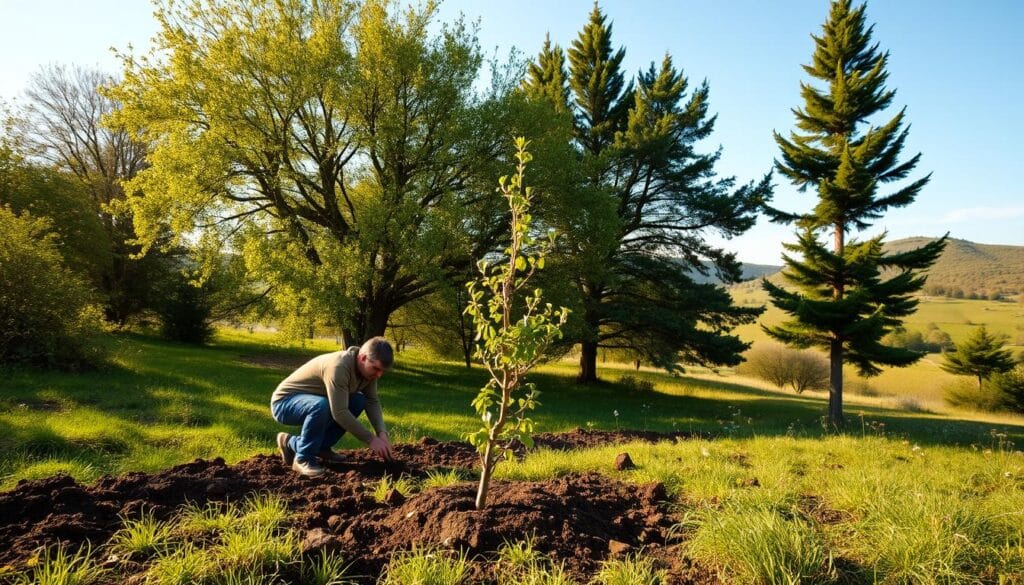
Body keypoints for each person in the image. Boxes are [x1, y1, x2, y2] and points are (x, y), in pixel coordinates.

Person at [271, 336, 395, 477]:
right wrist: (371, 439)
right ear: (362, 358)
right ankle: (303, 458)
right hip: (284, 403)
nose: (379, 375)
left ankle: (319, 447)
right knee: (320, 406)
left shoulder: (367, 373)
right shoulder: (340, 366)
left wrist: (382, 433)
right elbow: (340, 412)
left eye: (382, 371)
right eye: (376, 369)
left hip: (313, 402)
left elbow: (371, 401)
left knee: (358, 401)